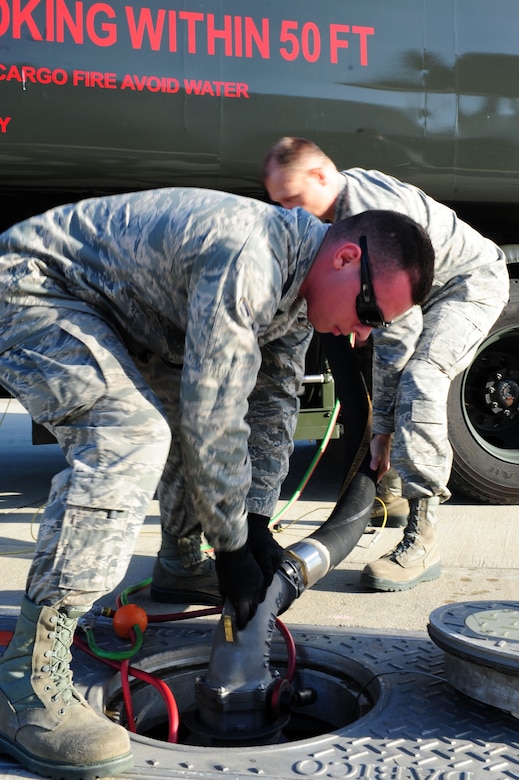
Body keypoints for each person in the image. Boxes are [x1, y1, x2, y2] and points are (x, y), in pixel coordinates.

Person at [0, 187, 434, 780]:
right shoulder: (251, 258)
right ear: (346, 260)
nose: (361, 334)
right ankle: (27, 683)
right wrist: (231, 549)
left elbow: (270, 406)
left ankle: (180, 565)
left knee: (178, 413)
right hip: (31, 288)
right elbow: (215, 412)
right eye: (370, 313)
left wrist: (254, 521)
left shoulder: (297, 289)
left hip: (122, 315)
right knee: (129, 430)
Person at [262, 136, 510, 592]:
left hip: (467, 285)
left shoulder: (373, 220)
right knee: (381, 376)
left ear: (321, 176)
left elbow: (398, 337)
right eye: (281, 205)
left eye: (295, 200)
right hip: (421, 294)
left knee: (420, 378)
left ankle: (423, 533)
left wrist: (384, 430)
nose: (292, 214)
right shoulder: (337, 213)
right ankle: (389, 492)